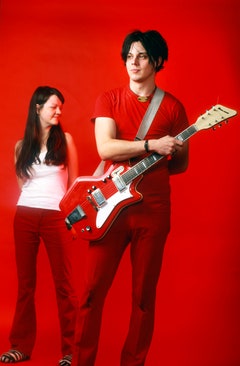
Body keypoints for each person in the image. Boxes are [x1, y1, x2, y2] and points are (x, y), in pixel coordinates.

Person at [72, 30, 189, 366]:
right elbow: (105, 147)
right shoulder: (108, 99)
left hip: (153, 211)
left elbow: (179, 164)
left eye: (141, 56)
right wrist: (153, 145)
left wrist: (169, 149)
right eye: (129, 56)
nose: (133, 63)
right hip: (109, 211)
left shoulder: (173, 107)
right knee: (92, 294)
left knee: (143, 299)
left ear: (157, 61)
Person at [0, 86, 79, 366]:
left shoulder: (66, 140)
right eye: (53, 107)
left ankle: (72, 350)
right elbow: (24, 185)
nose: (58, 111)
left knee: (65, 286)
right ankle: (20, 346)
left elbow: (75, 186)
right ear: (37, 108)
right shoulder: (21, 147)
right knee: (25, 285)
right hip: (25, 215)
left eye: (60, 107)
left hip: (57, 216)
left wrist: (71, 220)